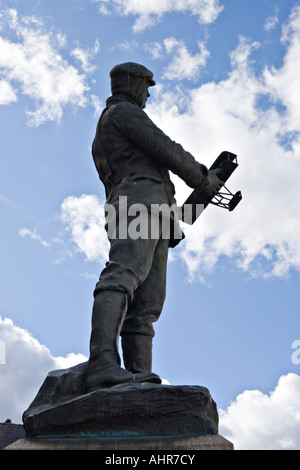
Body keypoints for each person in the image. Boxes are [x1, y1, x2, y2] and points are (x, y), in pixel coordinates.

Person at [86, 62, 223, 392]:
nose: (147, 94)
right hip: (138, 205)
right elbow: (166, 148)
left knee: (147, 303)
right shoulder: (123, 113)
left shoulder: (115, 120)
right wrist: (205, 179)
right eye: (146, 86)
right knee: (122, 275)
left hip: (153, 211)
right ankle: (102, 362)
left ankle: (138, 375)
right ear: (132, 83)